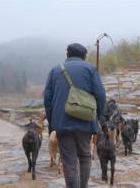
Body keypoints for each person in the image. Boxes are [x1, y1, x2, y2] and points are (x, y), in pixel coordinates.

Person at [44, 43, 106, 188]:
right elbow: (101, 96)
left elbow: (47, 99)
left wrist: (53, 124)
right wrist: (96, 117)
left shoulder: (54, 71)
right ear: (84, 56)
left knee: (69, 161)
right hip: (85, 121)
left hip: (62, 122)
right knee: (85, 156)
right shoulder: (90, 69)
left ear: (67, 54)